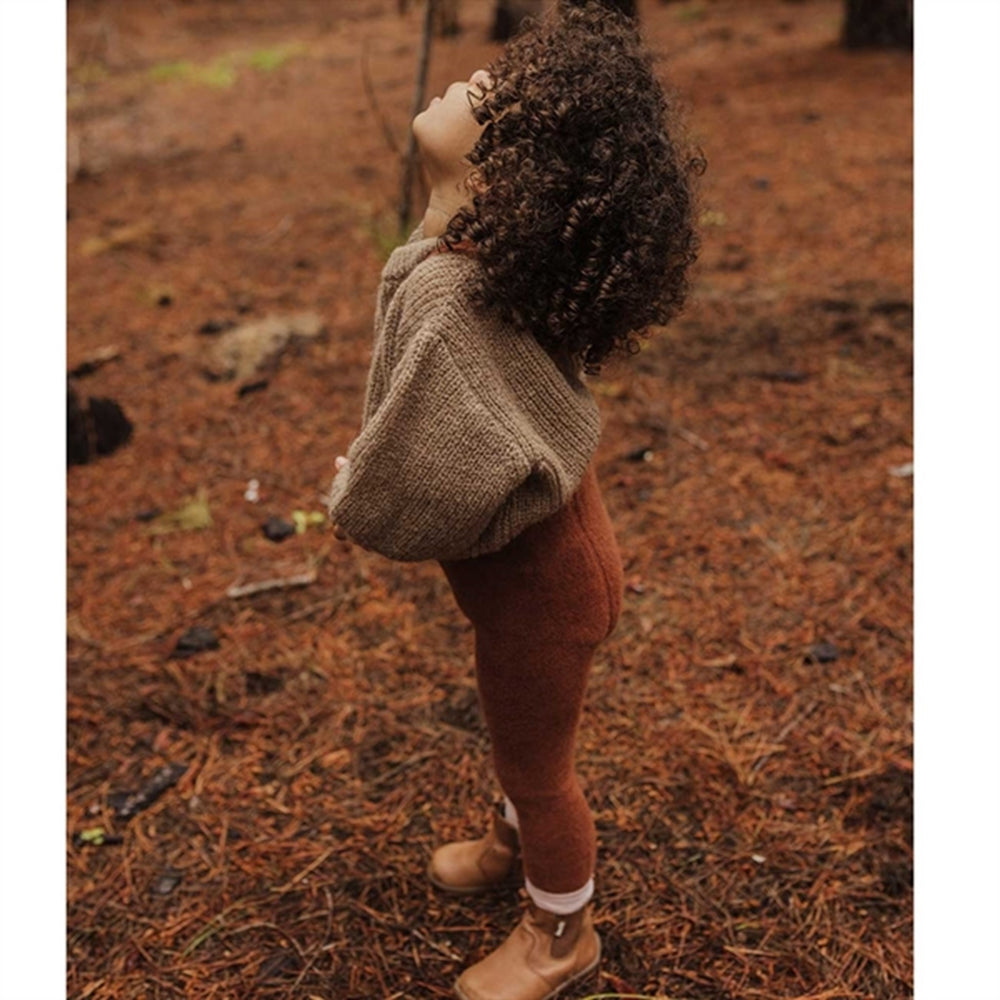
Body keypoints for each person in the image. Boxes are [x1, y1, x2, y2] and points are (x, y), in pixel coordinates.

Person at [326, 4, 701, 997]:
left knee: (541, 769)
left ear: (502, 176)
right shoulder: (486, 259)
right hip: (542, 569)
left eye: (488, 99)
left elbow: (432, 469)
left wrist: (355, 488)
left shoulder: (459, 297)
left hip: (545, 591)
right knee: (516, 730)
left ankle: (560, 933)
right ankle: (512, 842)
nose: (469, 78)